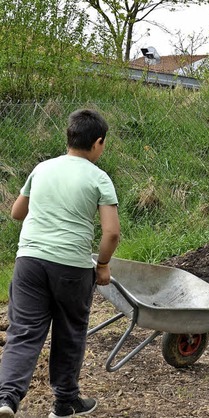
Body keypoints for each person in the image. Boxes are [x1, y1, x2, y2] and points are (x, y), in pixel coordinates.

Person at [0, 109, 121, 418]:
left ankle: (7, 398)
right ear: (97, 143)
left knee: (24, 331)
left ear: (68, 138)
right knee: (69, 332)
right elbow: (111, 232)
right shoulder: (99, 178)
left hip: (29, 262)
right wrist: (103, 266)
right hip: (71, 267)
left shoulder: (42, 169)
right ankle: (64, 404)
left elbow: (17, 212)